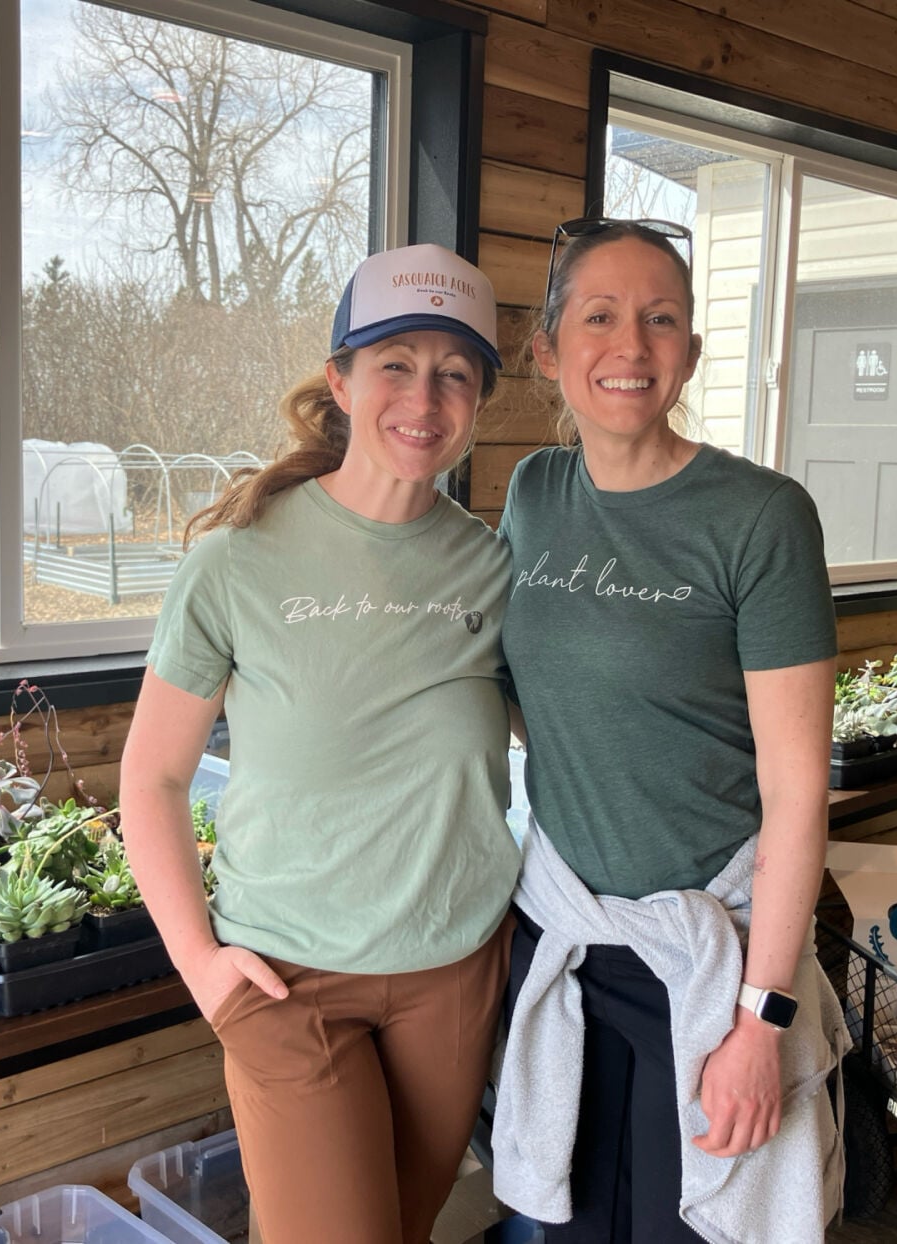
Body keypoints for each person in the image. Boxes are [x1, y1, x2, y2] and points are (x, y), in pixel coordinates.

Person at [118, 242, 520, 1244]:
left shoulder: (493, 569)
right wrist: (201, 965)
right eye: (395, 363)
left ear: (477, 399)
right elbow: (154, 776)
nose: (422, 397)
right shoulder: (235, 560)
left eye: (454, 372)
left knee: (408, 1227)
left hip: (452, 968)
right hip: (283, 975)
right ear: (339, 379)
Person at [489, 218, 849, 1243]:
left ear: (689, 351)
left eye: (660, 320)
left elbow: (792, 796)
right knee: (571, 1223)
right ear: (548, 348)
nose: (630, 346)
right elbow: (527, 689)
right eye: (597, 317)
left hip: (712, 958)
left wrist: (760, 1019)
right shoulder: (533, 493)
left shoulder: (759, 516)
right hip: (564, 931)